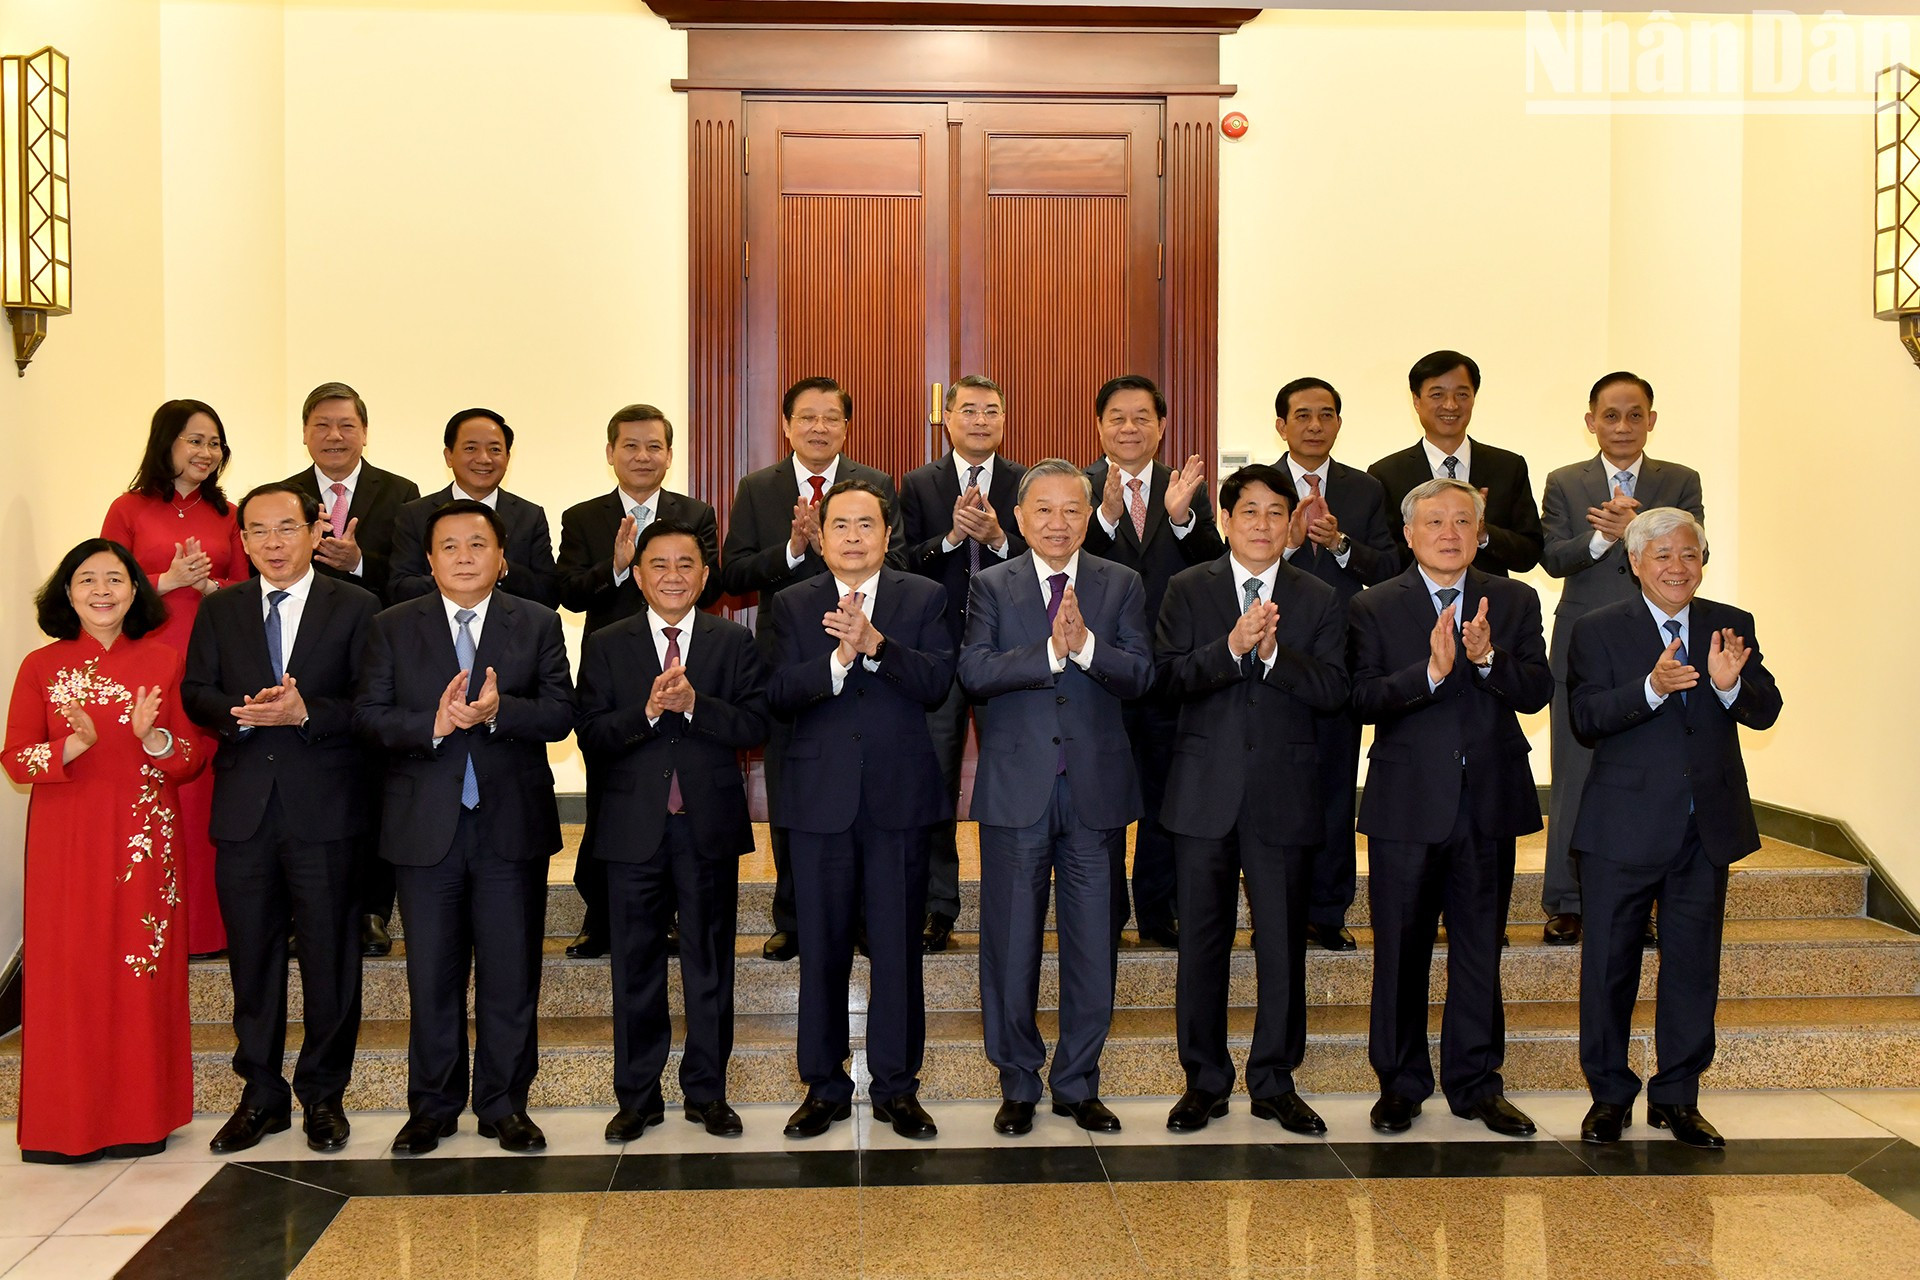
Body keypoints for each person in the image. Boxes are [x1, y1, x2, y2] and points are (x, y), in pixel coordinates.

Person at [353, 500, 575, 1155]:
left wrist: (503, 712)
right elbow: (368, 717)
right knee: (432, 975)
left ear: (502, 557)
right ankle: (433, 1108)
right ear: (429, 559)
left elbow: (562, 712)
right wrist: (436, 725)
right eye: (448, 546)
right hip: (425, 831)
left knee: (510, 976)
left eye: (477, 544)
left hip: (510, 827)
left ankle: (505, 1105)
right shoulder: (392, 626)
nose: (464, 556)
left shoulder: (535, 623)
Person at [1568, 507, 1780, 1149]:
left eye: (1689, 554)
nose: (1676, 567)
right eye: (1661, 555)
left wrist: (1728, 685)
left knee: (1692, 968)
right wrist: (1652, 688)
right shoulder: (1597, 629)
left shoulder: (1730, 625)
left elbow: (1766, 710)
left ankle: (1678, 1098)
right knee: (1609, 967)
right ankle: (1608, 1096)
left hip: (1703, 832)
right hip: (1621, 829)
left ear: (1703, 561)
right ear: (1635, 563)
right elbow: (1585, 717)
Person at [1349, 478, 1551, 1138]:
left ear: (1480, 531)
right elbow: (1362, 699)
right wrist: (1431, 677)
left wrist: (1488, 660)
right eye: (1434, 520)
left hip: (1488, 802)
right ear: (1408, 534)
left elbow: (1537, 692)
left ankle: (1475, 1083)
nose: (1449, 532)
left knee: (1477, 950)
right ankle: (1400, 1084)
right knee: (1400, 951)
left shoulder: (1515, 600)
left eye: (1463, 520)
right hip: (1408, 803)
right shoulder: (1375, 606)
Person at [182, 483, 379, 1155]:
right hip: (244, 813)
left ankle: (323, 1095)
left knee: (330, 960)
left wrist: (306, 714)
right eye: (258, 531)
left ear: (312, 532)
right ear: (242, 541)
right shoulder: (221, 611)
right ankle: (261, 1094)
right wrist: (237, 716)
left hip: (326, 810)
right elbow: (195, 692)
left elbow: (371, 705)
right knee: (254, 962)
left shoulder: (356, 606)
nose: (272, 542)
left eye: (286, 528)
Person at [959, 459, 1154, 1136]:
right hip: (1018, 793)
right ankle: (1017, 1083)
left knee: (1092, 945)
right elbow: (974, 671)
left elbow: (1141, 674)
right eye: (1043, 510)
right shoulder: (991, 586)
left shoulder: (1120, 583)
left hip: (1095, 792)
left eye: (1072, 509)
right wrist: (1048, 653)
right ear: (1019, 518)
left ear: (1089, 512)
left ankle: (1077, 1083)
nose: (1057, 523)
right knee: (1010, 946)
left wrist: (1089, 647)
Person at [1155, 465, 1348, 1135]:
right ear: (1226, 520)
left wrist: (1272, 659)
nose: (1262, 524)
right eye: (1250, 512)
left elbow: (1334, 691)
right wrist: (1230, 648)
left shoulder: (1319, 597)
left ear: (1292, 522)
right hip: (1203, 795)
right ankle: (1203, 1080)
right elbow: (1168, 678)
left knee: (1282, 946)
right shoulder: (1188, 588)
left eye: (1275, 513)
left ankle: (1273, 1080)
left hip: (1282, 796)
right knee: (1200, 944)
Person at [5, 540, 204, 1162]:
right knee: (69, 975)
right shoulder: (40, 666)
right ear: (66, 594)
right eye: (85, 580)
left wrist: (155, 736)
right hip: (66, 842)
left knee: (139, 977)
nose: (101, 590)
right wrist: (71, 746)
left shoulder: (165, 661)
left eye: (114, 579)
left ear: (134, 590)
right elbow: (15, 758)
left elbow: (192, 760)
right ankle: (64, 1126)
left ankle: (141, 1120)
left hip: (144, 841)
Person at [766, 480, 952, 1140]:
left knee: (898, 951)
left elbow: (936, 684)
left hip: (898, 801)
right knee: (820, 950)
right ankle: (823, 1085)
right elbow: (777, 692)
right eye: (838, 524)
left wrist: (876, 645)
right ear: (820, 537)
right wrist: (836, 662)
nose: (851, 535)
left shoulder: (923, 597)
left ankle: (898, 1087)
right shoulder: (792, 604)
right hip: (819, 803)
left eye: (864, 525)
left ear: (886, 534)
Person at [575, 519, 767, 1142]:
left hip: (706, 827)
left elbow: (754, 726)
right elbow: (592, 735)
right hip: (632, 830)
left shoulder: (730, 642)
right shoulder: (607, 642)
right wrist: (649, 710)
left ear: (706, 576)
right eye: (659, 564)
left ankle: (707, 1092)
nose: (673, 576)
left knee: (709, 965)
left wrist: (695, 707)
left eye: (686, 564)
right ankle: (637, 1096)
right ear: (637, 574)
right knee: (634, 966)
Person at [718, 376, 905, 962]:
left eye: (831, 418)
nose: (819, 427)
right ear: (786, 424)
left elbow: (894, 558)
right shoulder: (757, 488)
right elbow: (733, 574)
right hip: (792, 658)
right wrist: (796, 550)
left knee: (866, 787)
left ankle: (866, 918)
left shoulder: (873, 484)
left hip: (868, 650)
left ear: (847, 427)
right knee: (793, 786)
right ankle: (794, 917)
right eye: (807, 417)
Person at [1538, 373, 1704, 947]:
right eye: (1611, 415)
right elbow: (1552, 557)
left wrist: (1635, 528)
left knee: (1649, 774)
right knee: (1574, 774)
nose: (1624, 426)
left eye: (1636, 415)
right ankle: (1566, 900)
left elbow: (1698, 548)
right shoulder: (1565, 482)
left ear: (1652, 420)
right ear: (1591, 422)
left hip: (1657, 642)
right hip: (1585, 642)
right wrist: (1600, 540)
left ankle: (1645, 898)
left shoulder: (1679, 480)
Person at [557, 404, 721, 961]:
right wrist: (618, 568)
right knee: (612, 793)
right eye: (630, 446)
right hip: (616, 670)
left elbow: (713, 581)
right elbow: (570, 591)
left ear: (669, 456)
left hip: (683, 665)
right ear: (611, 454)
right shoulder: (584, 518)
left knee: (679, 791)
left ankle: (673, 914)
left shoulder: (694, 513)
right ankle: (600, 914)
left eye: (654, 446)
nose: (642, 456)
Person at [1080, 374, 1224, 948]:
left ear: (1162, 426)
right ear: (1099, 426)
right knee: (1104, 798)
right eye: (1117, 416)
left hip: (1169, 670)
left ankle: (1158, 912)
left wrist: (1185, 519)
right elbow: (1063, 560)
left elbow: (1214, 565)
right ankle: (1106, 913)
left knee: (1169, 797)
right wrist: (1106, 519)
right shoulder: (1078, 486)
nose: (1130, 427)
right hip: (1101, 669)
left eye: (1143, 417)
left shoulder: (1182, 487)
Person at [280, 380, 422, 958]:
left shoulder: (401, 494)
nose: (334, 436)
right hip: (304, 656)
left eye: (346, 425)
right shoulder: (282, 496)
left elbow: (415, 577)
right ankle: (306, 911)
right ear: (305, 433)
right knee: (309, 782)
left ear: (365, 431)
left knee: (375, 785)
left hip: (379, 653)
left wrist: (358, 560)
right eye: (322, 426)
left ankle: (371, 910)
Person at [103, 399, 248, 958]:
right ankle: (147, 926)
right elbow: (104, 585)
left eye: (214, 443)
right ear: (166, 442)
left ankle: (207, 932)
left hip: (210, 668)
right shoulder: (128, 508)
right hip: (146, 668)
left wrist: (206, 586)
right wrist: (166, 579)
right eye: (194, 440)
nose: (206, 453)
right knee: (153, 792)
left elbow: (242, 591)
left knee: (204, 796)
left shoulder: (230, 514)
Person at [898, 374, 1026, 952]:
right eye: (968, 410)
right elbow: (899, 565)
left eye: (991, 411)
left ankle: (1018, 900)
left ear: (1004, 419)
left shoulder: (1026, 481)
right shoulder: (919, 484)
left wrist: (1001, 538)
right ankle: (937, 905)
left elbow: (1051, 556)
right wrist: (950, 539)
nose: (979, 420)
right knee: (934, 783)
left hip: (1011, 652)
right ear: (946, 418)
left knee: (1018, 781)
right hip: (942, 653)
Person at [1271, 376, 1398, 952]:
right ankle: (1277, 909)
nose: (1315, 425)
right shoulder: (1259, 487)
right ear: (1281, 425)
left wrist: (1343, 544)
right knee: (1275, 789)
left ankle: (1327, 909)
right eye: (1302, 415)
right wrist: (1291, 543)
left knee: (1331, 788)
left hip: (1339, 659)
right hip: (1272, 652)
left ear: (1339, 424)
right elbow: (1237, 558)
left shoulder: (1365, 489)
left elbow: (1393, 565)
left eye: (1326, 414)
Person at [1369, 351, 1544, 577]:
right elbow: (1385, 560)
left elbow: (1529, 553)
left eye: (1462, 394)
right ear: (1416, 400)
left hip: (1490, 603)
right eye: (1437, 395)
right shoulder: (1386, 474)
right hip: (1413, 605)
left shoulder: (1508, 467)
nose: (1450, 406)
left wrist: (1482, 534)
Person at [388, 408, 559, 607]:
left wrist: (503, 570)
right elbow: (399, 588)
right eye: (471, 448)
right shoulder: (414, 514)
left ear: (508, 458)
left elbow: (549, 593)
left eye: (495, 449)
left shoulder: (529, 516)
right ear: (449, 456)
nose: (484, 458)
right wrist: (455, 579)